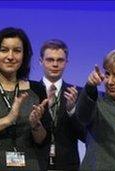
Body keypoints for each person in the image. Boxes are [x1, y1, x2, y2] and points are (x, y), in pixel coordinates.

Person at [0, 27, 51, 171]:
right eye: (4, 50)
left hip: (29, 166)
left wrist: (35, 124)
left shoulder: (37, 89)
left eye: (17, 51)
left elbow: (42, 139)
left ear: (24, 56)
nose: (10, 56)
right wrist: (7, 120)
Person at [39, 39, 86, 171]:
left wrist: (72, 111)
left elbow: (85, 135)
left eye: (60, 60)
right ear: (40, 61)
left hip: (68, 165)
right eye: (49, 60)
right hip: (36, 163)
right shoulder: (30, 91)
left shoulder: (78, 93)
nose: (55, 64)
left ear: (66, 63)